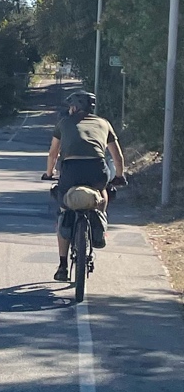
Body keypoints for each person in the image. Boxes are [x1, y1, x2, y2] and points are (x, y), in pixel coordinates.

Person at [43, 89, 126, 282]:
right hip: (96, 169)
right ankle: (98, 221)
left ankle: (63, 266)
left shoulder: (64, 123)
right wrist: (120, 176)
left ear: (74, 107)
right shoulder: (104, 123)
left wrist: (49, 174)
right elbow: (117, 155)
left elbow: (53, 153)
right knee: (101, 192)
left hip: (71, 170)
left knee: (64, 211)